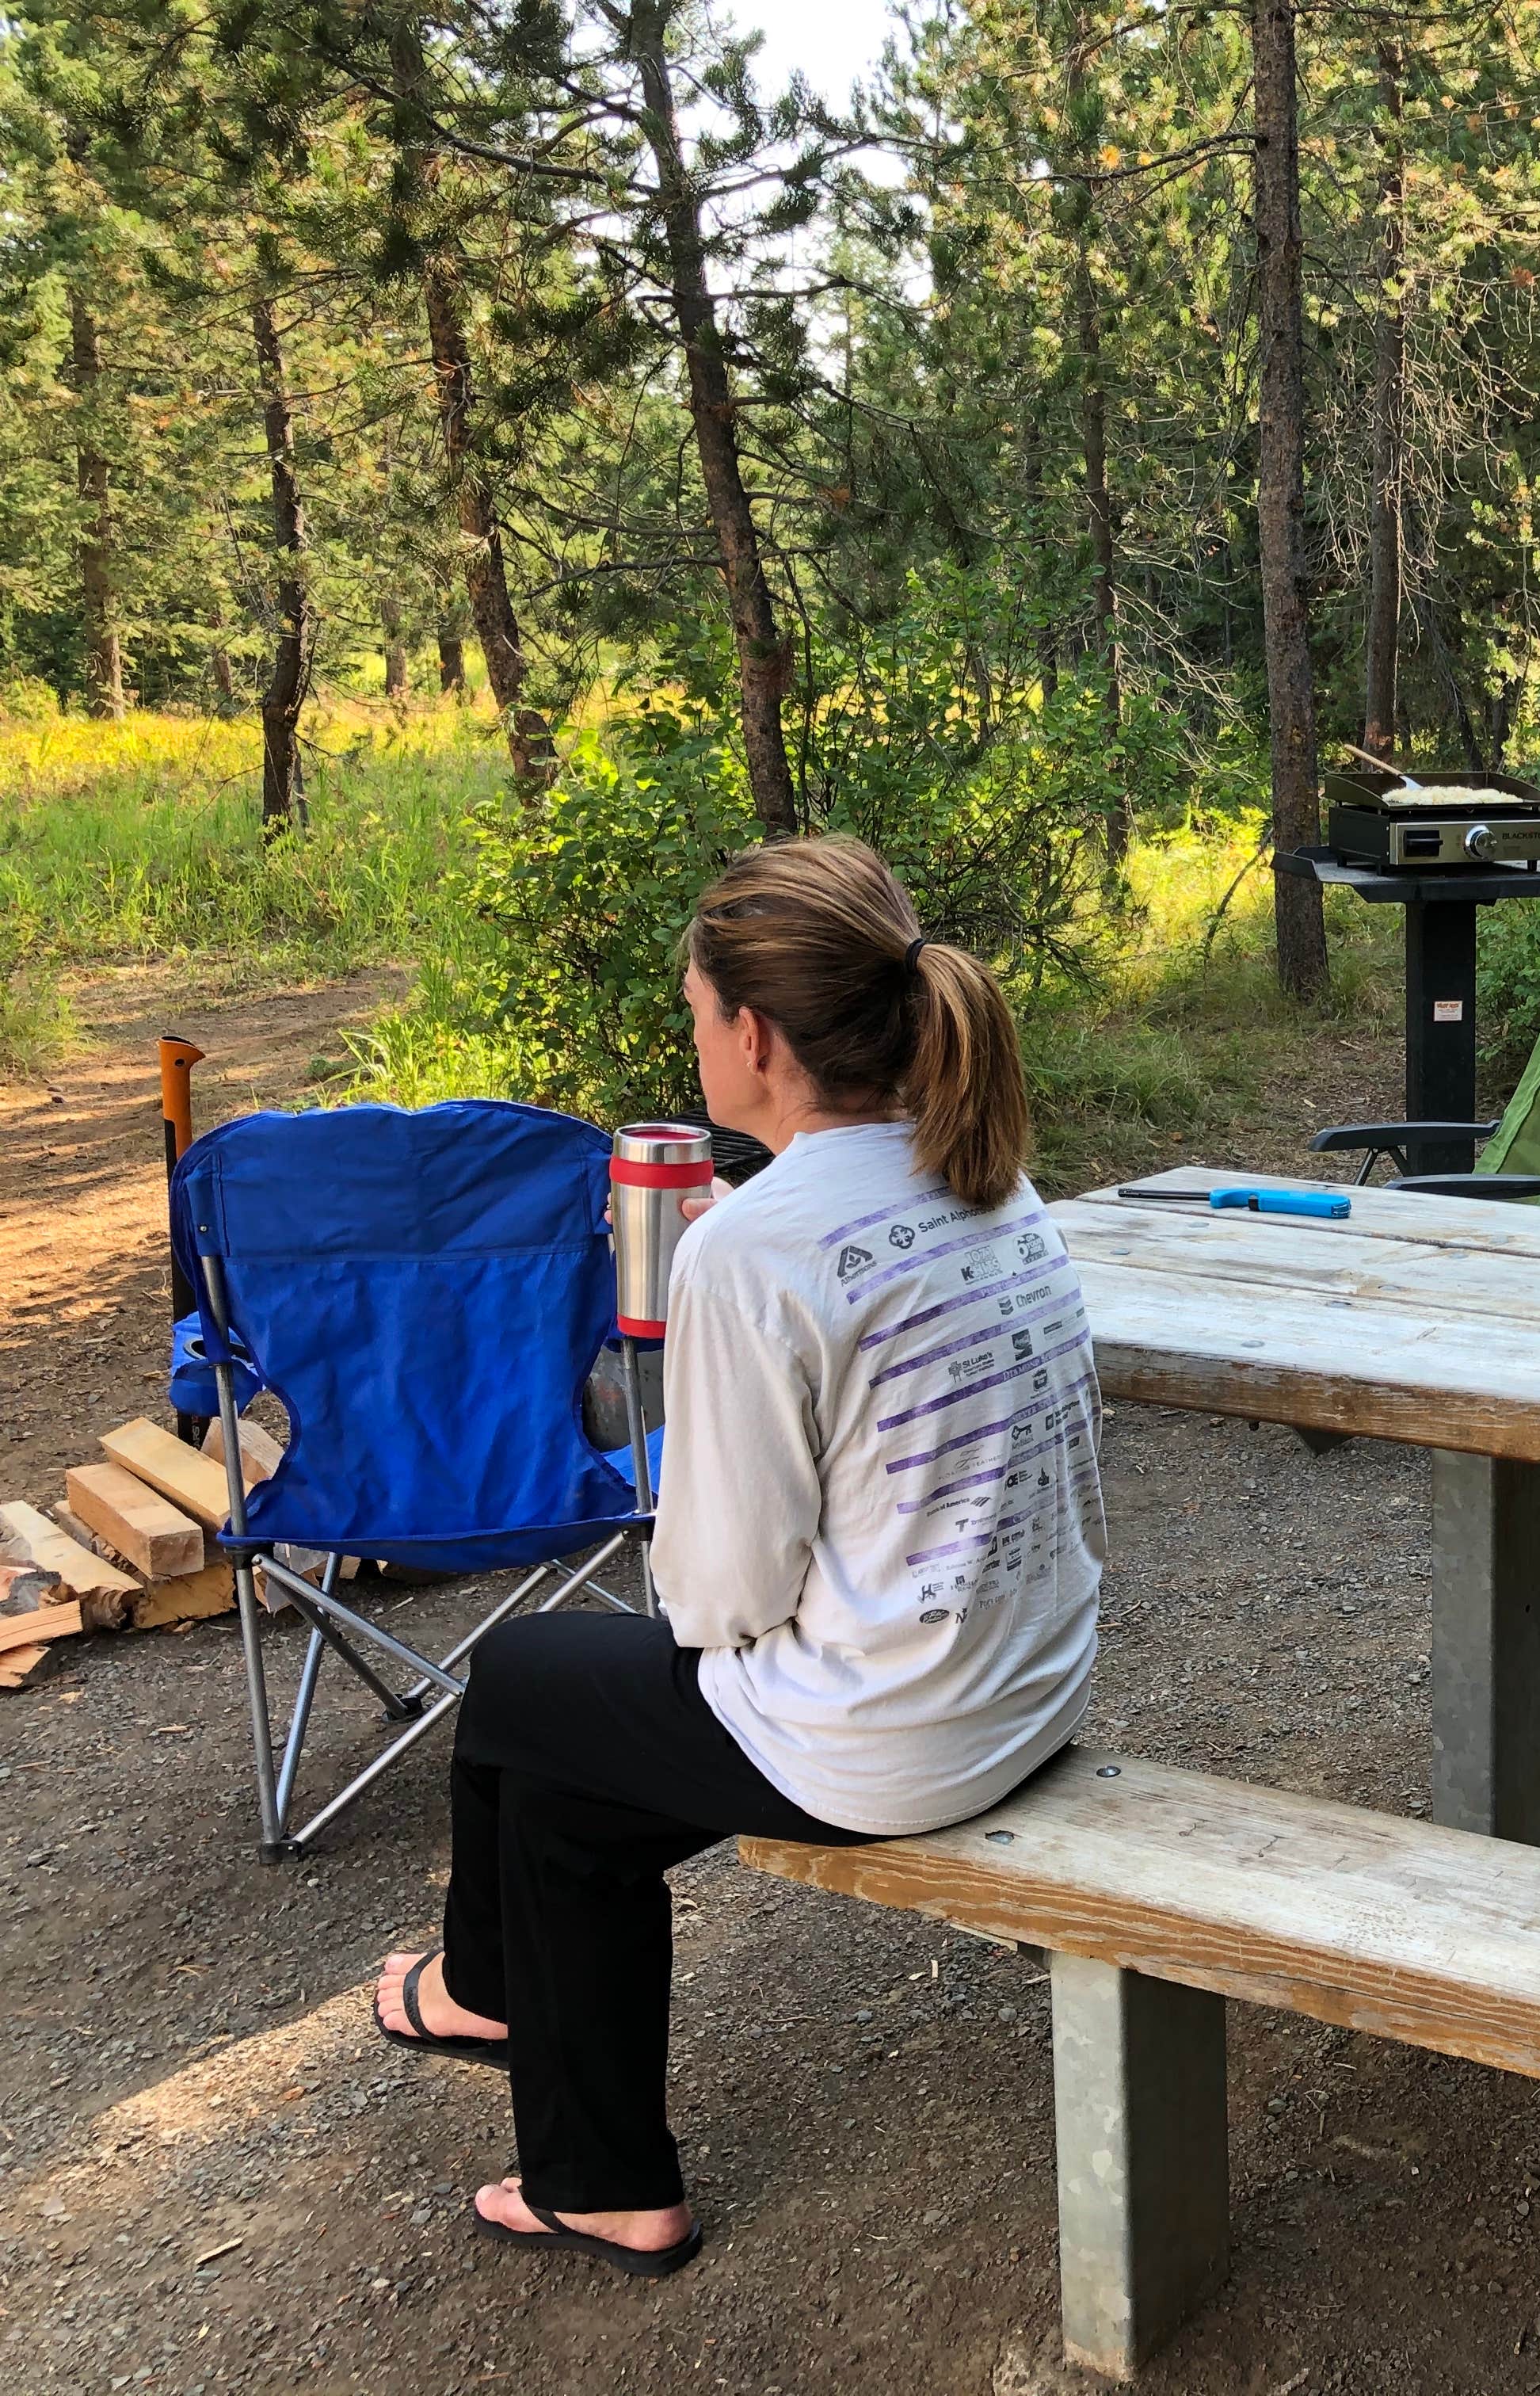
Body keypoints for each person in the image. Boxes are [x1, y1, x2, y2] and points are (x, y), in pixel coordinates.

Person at [369, 837, 1108, 2276]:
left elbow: (716, 1601)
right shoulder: (991, 1176)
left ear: (753, 1037)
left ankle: (505, 2021)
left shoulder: (752, 1246)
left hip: (902, 1740)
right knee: (561, 1806)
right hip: (1035, 1682)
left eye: (700, 1017)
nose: (697, 1043)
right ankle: (535, 2069)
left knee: (523, 1677)